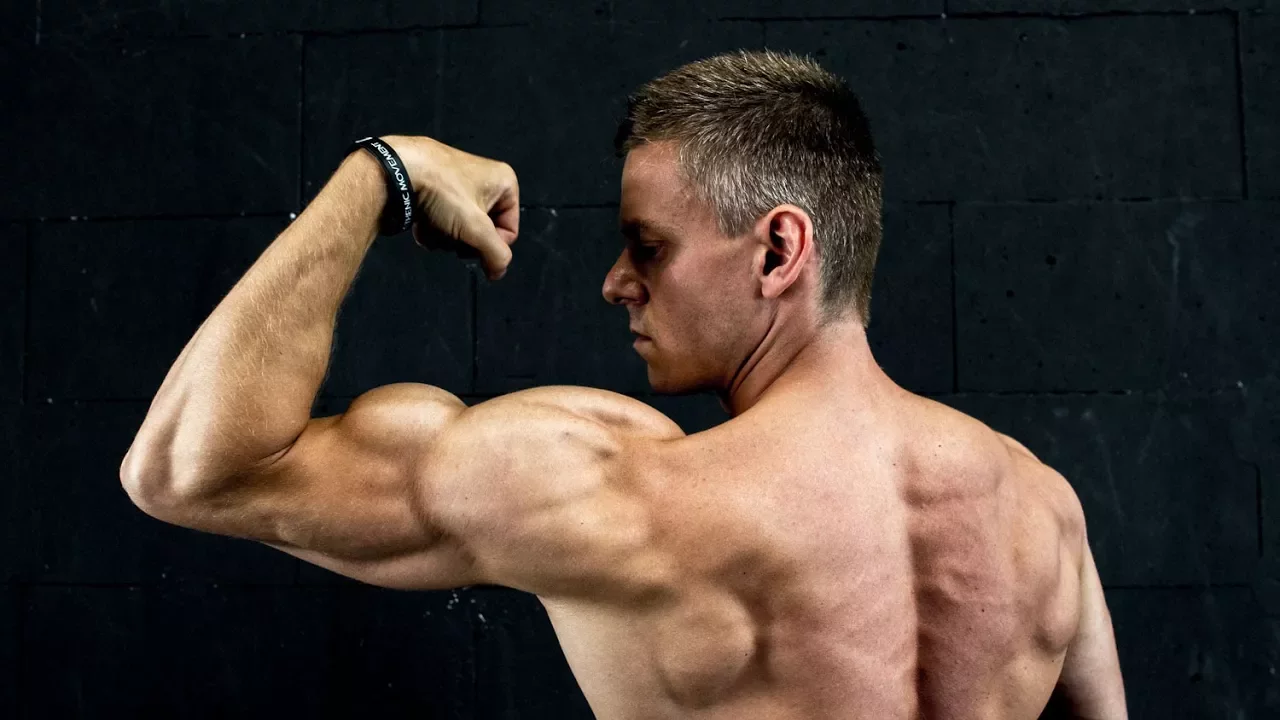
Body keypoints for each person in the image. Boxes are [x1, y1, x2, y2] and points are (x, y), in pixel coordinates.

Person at [120, 50, 1127, 719]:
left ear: (779, 251)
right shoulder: (1042, 511)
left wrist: (381, 172)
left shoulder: (613, 489)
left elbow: (188, 470)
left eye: (648, 246)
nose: (615, 283)